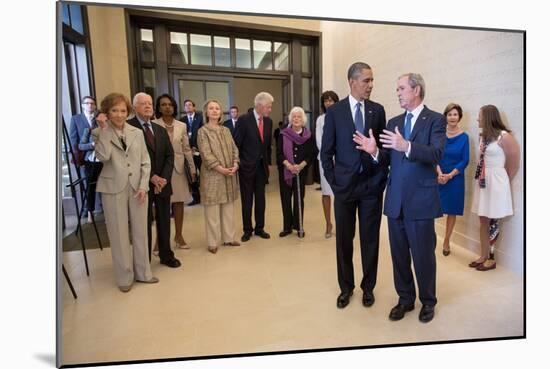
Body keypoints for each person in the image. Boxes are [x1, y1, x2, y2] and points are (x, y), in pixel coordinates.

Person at [378, 73, 446, 323]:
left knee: (423, 255)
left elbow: (436, 153)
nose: (398, 92)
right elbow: (388, 159)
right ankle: (405, 299)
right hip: (395, 200)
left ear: (416, 90)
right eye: (397, 89)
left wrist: (406, 146)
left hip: (421, 201)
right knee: (399, 256)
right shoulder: (393, 121)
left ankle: (428, 301)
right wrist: (375, 151)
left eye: (402, 88)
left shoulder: (435, 120)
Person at [321, 62, 388, 310]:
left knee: (370, 240)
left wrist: (379, 173)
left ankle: (368, 287)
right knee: (344, 241)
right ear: (352, 81)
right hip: (345, 188)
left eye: (372, 80)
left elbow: (384, 150)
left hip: (371, 187)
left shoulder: (377, 111)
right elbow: (326, 153)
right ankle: (346, 288)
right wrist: (335, 183)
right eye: (366, 80)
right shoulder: (335, 112)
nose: (371, 85)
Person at [92, 92, 158, 292]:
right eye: (114, 111)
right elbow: (102, 156)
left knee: (140, 232)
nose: (119, 115)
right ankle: (124, 278)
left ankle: (143, 273)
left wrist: (143, 186)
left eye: (122, 110)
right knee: (119, 235)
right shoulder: (99, 132)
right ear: (106, 113)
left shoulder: (136, 132)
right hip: (113, 188)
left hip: (137, 188)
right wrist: (103, 129)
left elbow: (146, 162)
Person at [127, 92, 181, 269]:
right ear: (134, 107)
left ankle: (166, 255)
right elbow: (130, 159)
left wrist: (163, 178)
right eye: (143, 103)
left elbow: (169, 155)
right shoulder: (128, 128)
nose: (148, 106)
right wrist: (151, 178)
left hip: (162, 184)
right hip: (141, 184)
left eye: (149, 103)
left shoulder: (159, 129)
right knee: (143, 223)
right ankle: (144, 261)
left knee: (164, 220)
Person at [470, 105, 520, 271]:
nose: (477, 119)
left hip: (497, 182)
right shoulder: (483, 136)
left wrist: (503, 182)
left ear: (489, 117)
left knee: (493, 220)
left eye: (480, 116)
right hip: (483, 180)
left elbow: (514, 163)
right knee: (483, 219)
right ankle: (483, 255)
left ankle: (491, 258)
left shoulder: (504, 137)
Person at [197, 99, 241, 253]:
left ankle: (228, 238)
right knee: (212, 209)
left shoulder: (226, 130)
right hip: (212, 176)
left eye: (217, 108)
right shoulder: (203, 131)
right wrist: (220, 168)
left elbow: (235, 149)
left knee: (228, 207)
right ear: (206, 112)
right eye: (211, 108)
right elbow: (205, 154)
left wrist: (235, 164)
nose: (215, 111)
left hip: (229, 173)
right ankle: (212, 242)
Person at [154, 93, 196, 250]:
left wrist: (192, 168)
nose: (167, 107)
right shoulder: (153, 124)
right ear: (159, 107)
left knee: (178, 203)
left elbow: (186, 149)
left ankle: (179, 236)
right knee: (161, 206)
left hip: (178, 169)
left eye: (170, 104)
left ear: (174, 107)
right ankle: (159, 240)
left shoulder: (181, 126)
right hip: (161, 170)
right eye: (163, 104)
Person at [234, 92, 274, 242]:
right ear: (260, 105)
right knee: (247, 200)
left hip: (262, 168)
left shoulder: (269, 122)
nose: (270, 110)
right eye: (268, 107)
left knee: (261, 199)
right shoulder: (244, 120)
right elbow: (236, 143)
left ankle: (260, 228)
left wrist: (268, 163)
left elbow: (267, 146)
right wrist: (240, 163)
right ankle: (247, 230)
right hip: (246, 167)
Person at [277, 106, 316, 238]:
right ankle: (287, 227)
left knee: (299, 199)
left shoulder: (309, 135)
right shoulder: (283, 134)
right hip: (286, 172)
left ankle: (299, 226)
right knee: (286, 199)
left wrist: (301, 165)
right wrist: (288, 165)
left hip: (301, 171)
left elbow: (312, 153)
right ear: (290, 119)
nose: (296, 119)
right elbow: (279, 154)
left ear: (303, 119)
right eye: (294, 117)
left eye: (299, 116)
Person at [437, 103, 469, 256]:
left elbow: (465, 160)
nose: (452, 117)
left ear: (459, 117)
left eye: (455, 114)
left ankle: (446, 240)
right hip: (437, 176)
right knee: (431, 208)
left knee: (451, 211)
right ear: (446, 117)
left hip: (455, 179)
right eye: (449, 114)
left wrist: (449, 175)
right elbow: (433, 154)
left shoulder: (464, 137)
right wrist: (439, 173)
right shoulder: (439, 134)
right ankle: (429, 238)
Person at [69, 96, 102, 219]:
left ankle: (101, 208)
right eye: (87, 103)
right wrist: (78, 158)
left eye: (92, 103)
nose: (89, 105)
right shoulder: (76, 119)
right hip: (84, 157)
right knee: (87, 184)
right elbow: (74, 139)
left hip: (100, 157)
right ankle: (87, 211)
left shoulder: (98, 118)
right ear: (82, 105)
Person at [315, 90, 339, 238]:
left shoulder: (342, 116)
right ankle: (328, 223)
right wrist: (329, 155)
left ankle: (340, 222)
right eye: (326, 100)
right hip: (325, 160)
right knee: (326, 193)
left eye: (331, 100)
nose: (328, 103)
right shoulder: (320, 119)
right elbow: (319, 141)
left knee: (340, 193)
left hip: (341, 160)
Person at [181, 99, 204, 206]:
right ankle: (196, 197)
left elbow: (202, 134)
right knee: (192, 174)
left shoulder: (200, 118)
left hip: (199, 151)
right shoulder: (182, 120)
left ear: (194, 107)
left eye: (190, 105)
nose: (188, 107)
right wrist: (189, 148)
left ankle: (206, 195)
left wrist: (195, 146)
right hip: (188, 152)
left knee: (203, 173)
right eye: (186, 105)